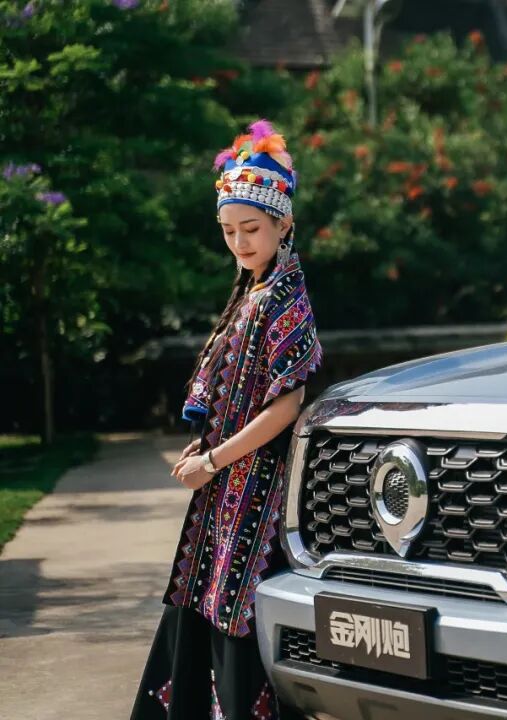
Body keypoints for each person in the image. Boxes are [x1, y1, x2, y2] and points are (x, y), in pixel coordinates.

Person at [130, 119, 322, 720]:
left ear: (284, 225)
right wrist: (207, 454)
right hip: (227, 483)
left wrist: (214, 459)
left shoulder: (286, 297)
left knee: (237, 609)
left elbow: (286, 405)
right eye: (229, 230)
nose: (239, 241)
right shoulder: (253, 291)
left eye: (251, 229)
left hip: (257, 488)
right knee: (206, 599)